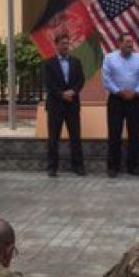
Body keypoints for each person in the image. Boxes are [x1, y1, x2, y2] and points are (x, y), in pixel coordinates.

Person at [102, 33, 139, 177]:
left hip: (134, 100)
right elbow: (106, 78)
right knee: (114, 134)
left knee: (134, 134)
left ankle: (133, 166)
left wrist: (136, 91)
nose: (130, 44)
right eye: (127, 42)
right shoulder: (109, 58)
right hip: (116, 100)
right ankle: (113, 167)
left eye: (131, 42)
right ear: (119, 43)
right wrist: (118, 91)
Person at [42, 31, 85, 177]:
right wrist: (62, 94)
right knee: (53, 138)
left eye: (67, 43)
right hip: (56, 106)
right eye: (63, 44)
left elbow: (81, 80)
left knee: (75, 137)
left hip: (72, 104)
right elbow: (49, 84)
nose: (66, 46)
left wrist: (73, 92)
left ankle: (78, 166)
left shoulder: (76, 62)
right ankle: (52, 167)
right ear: (56, 45)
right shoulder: (49, 63)